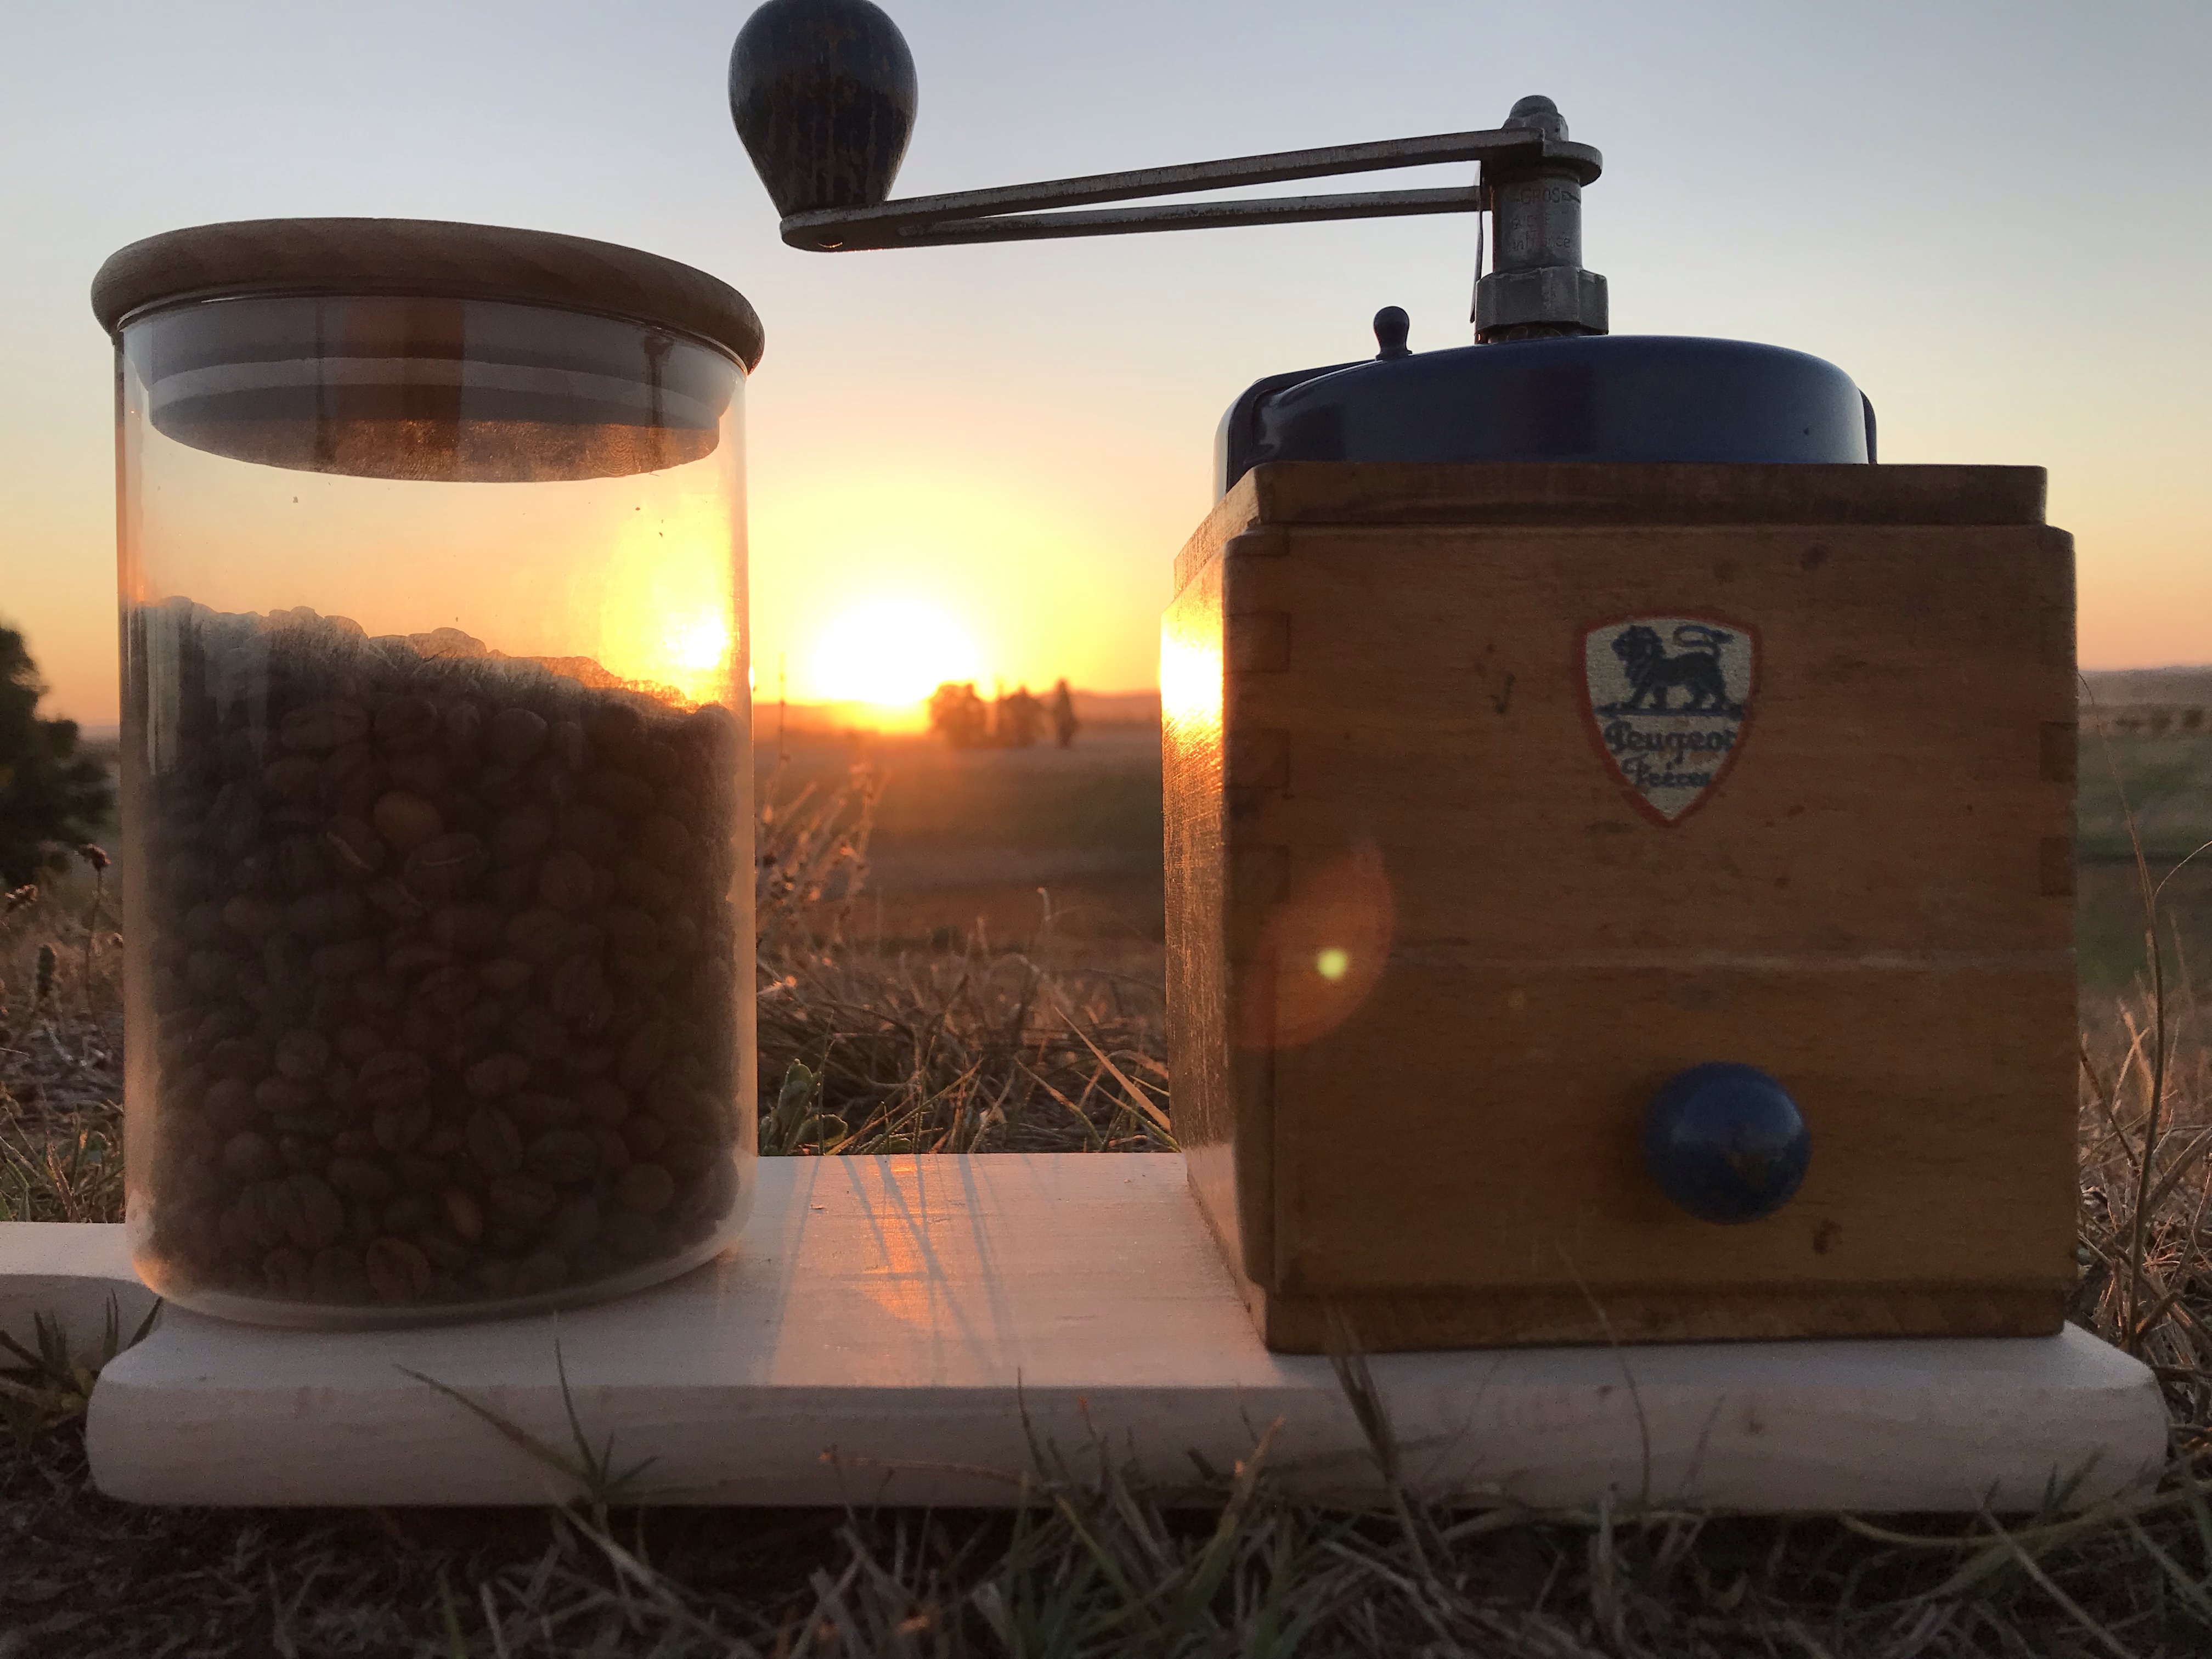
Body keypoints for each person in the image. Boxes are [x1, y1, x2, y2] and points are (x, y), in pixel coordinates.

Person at [1049, 678, 1079, 749]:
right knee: (1063, 733)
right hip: (1062, 719)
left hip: (1065, 719)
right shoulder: (1062, 696)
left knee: (1065, 733)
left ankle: (1065, 745)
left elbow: (1066, 708)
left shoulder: (1064, 697)